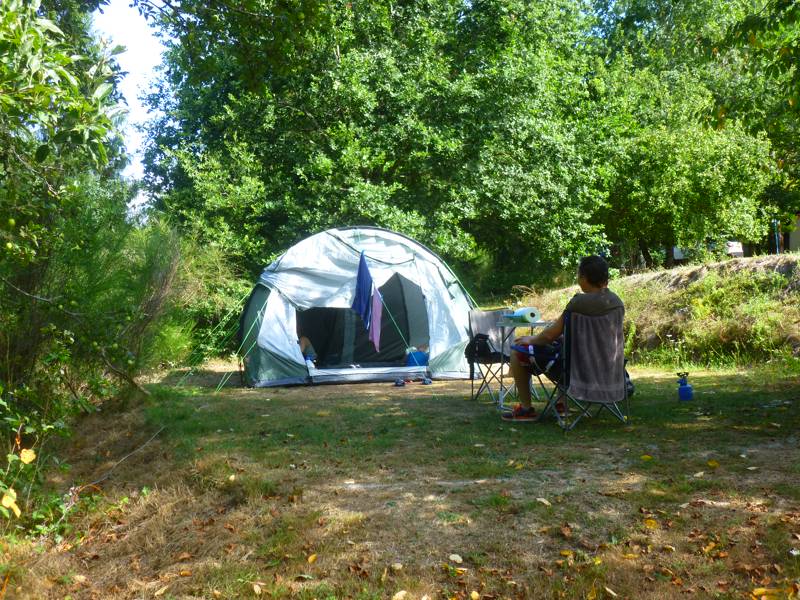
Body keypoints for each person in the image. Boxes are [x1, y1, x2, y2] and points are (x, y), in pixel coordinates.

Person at [502, 255, 624, 421]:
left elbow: (549, 335)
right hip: (609, 372)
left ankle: (526, 409)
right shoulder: (617, 302)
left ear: (583, 277)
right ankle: (561, 403)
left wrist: (530, 339)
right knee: (565, 347)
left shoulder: (578, 303)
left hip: (576, 373)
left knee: (518, 351)